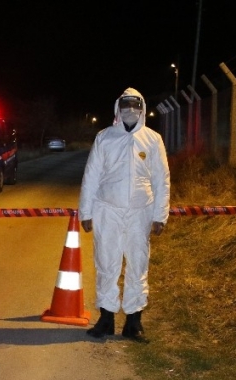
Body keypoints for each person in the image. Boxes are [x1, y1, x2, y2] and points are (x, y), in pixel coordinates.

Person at [79, 88, 170, 342]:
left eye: (135, 105)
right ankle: (106, 318)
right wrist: (86, 212)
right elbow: (92, 176)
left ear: (142, 109)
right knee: (106, 263)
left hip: (141, 212)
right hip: (107, 210)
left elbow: (162, 179)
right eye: (126, 105)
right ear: (118, 108)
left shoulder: (152, 140)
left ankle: (134, 322)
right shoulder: (105, 138)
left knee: (137, 264)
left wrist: (160, 215)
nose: (131, 110)